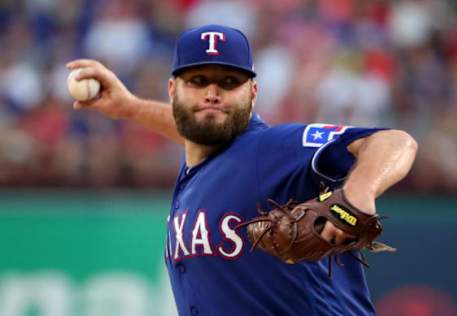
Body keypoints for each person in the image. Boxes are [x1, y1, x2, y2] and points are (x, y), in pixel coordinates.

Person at [67, 24, 417, 316]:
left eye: (229, 82)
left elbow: (394, 141)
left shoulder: (273, 150)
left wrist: (358, 193)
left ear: (253, 92)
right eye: (198, 80)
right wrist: (129, 107)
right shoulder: (205, 157)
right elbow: (193, 126)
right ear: (173, 90)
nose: (212, 93)